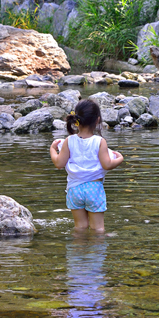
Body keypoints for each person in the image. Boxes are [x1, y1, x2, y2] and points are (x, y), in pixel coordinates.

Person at [50, 99, 124, 233]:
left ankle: (77, 253)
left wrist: (52, 149)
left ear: (76, 120)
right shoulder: (100, 141)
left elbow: (58, 163)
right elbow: (107, 165)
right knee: (98, 229)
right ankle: (96, 253)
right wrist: (120, 158)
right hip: (94, 189)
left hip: (74, 190)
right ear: (97, 120)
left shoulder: (69, 141)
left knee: (80, 227)